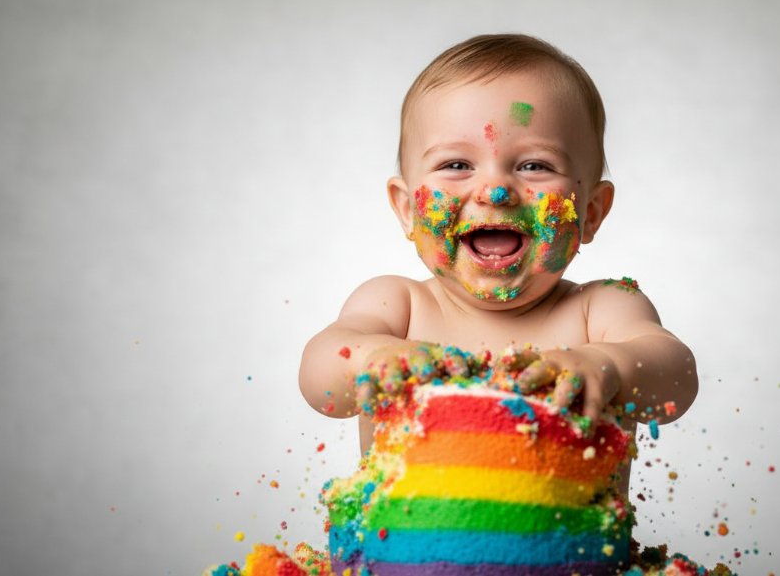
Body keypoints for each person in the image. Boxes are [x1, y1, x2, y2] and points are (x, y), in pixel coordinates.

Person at [299, 33, 697, 456]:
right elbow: (318, 376)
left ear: (592, 211)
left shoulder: (601, 309)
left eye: (534, 165)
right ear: (406, 210)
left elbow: (676, 377)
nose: (495, 191)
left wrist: (609, 366)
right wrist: (370, 359)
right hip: (402, 525)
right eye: (456, 164)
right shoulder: (397, 306)